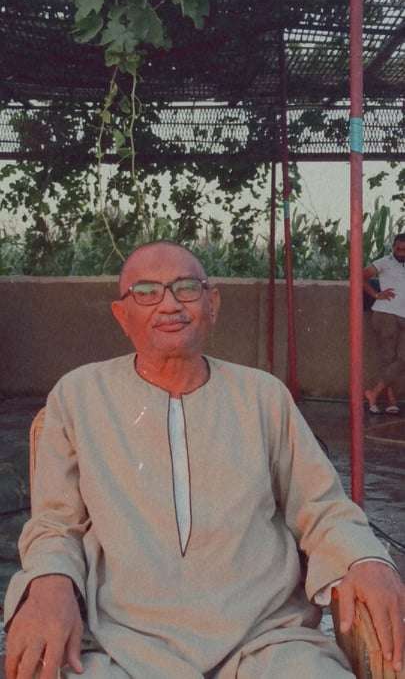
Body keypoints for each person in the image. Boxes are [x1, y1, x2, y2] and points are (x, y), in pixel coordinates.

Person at [4, 241, 405, 679]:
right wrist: (49, 582)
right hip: (123, 644)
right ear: (122, 315)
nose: (169, 305)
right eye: (146, 292)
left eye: (186, 288)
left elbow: (322, 507)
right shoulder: (79, 395)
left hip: (266, 642)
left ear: (212, 303)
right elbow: (55, 524)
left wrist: (365, 560)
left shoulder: (263, 396)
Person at [364, 233, 405, 414]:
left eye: (404, 250)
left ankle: (373, 393)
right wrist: (376, 294)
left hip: (403, 315)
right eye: (398, 248)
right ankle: (390, 400)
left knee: (402, 358)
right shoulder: (384, 262)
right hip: (386, 314)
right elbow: (360, 276)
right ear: (393, 247)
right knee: (388, 358)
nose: (400, 252)